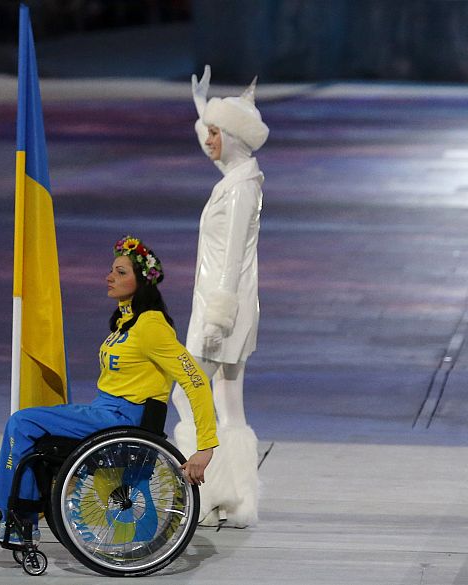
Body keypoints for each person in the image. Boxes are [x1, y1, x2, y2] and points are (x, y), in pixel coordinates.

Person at [0, 235, 218, 545]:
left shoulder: (151, 326)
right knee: (26, 425)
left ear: (142, 281)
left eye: (121, 272)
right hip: (103, 410)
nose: (110, 277)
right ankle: (18, 516)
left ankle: (20, 520)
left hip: (120, 418)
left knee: (21, 423)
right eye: (112, 270)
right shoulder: (126, 323)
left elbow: (195, 379)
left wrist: (206, 446)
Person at [171, 65, 268, 528]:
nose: (207, 141)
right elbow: (220, 152)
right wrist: (201, 111)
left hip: (221, 308)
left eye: (214, 133)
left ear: (233, 137)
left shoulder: (242, 188)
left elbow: (230, 259)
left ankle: (203, 492)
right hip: (225, 306)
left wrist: (218, 317)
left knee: (188, 394)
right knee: (228, 400)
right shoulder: (241, 174)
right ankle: (238, 499)